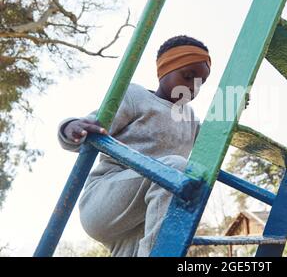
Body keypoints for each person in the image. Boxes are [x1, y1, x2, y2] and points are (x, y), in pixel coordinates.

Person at [57, 35, 211, 256]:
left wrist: (233, 109)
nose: (193, 86)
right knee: (175, 170)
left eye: (201, 83)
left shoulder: (191, 119)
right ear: (164, 69)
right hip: (106, 198)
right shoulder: (135, 96)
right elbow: (91, 127)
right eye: (188, 76)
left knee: (187, 178)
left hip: (141, 217)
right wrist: (70, 127)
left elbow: (215, 138)